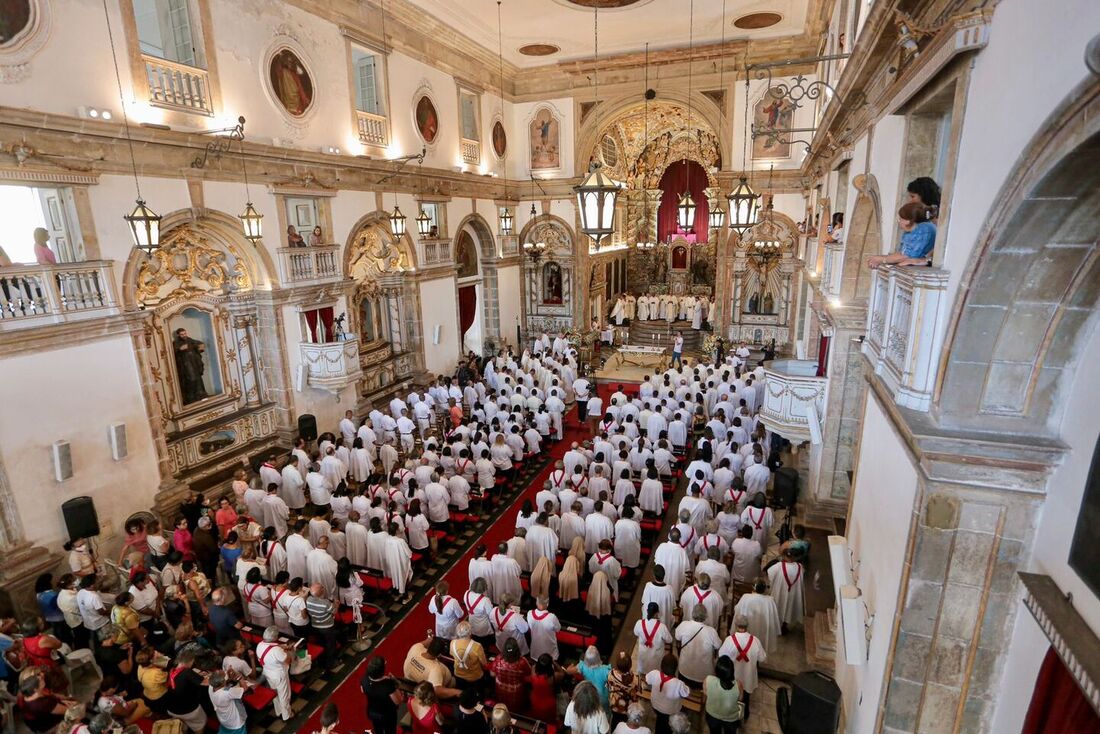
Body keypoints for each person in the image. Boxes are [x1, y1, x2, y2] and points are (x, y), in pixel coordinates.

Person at [718, 616, 766, 720]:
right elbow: (762, 658)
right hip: (748, 676)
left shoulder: (729, 640)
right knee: (746, 697)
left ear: (736, 626)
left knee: (731, 696)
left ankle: (730, 714)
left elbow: (721, 655)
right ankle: (745, 714)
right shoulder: (755, 641)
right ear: (747, 626)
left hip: (733, 676)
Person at [868, 201, 937, 269]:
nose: (898, 221)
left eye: (900, 219)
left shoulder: (923, 230)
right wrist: (880, 259)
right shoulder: (912, 230)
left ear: (907, 221)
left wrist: (882, 259)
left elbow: (907, 256)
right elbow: (902, 253)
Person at [644, 654, 690, 734]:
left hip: (655, 706)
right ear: (675, 668)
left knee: (660, 720)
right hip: (671, 711)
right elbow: (686, 693)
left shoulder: (654, 673)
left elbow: (646, 679)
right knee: (667, 725)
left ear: (661, 665)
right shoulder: (679, 684)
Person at [256, 626, 294, 721]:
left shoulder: (260, 645)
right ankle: (287, 716)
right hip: (279, 675)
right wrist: (289, 650)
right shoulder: (276, 651)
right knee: (284, 695)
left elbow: (270, 648)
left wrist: (282, 647)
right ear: (276, 637)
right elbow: (288, 660)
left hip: (268, 673)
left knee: (276, 694)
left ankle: (279, 712)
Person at [733, 581, 782, 654]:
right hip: (763, 630)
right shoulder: (770, 600)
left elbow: (736, 609)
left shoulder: (745, 597)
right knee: (760, 646)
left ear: (753, 588)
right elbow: (774, 618)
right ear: (765, 589)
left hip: (747, 628)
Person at [360, 656, 403, 734]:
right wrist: (394, 682)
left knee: (377, 728)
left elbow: (363, 690)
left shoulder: (364, 679)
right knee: (390, 730)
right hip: (387, 714)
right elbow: (398, 701)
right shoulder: (388, 684)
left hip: (373, 711)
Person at [702, 655, 744, 734]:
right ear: (732, 671)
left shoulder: (708, 680)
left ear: (717, 670)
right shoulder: (738, 685)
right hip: (731, 719)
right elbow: (740, 699)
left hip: (712, 715)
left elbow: (705, 695)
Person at [488, 637, 531, 712]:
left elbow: (492, 674)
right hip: (515, 690)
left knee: (503, 706)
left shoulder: (499, 659)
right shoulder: (522, 662)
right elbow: (529, 674)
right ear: (517, 650)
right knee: (516, 708)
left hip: (500, 688)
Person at [767, 550, 805, 631]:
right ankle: (784, 625)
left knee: (778, 606)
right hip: (793, 592)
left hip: (780, 591)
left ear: (784, 556)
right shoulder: (799, 567)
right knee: (789, 608)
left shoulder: (779, 566)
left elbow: (770, 574)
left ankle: (777, 625)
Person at [208, 669, 252, 734]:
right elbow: (245, 688)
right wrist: (240, 678)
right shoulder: (227, 692)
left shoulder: (211, 687)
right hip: (235, 721)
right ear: (223, 682)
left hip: (223, 718)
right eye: (224, 677)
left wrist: (228, 677)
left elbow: (222, 685)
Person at [450, 621, 489, 693]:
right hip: (475, 677)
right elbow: (484, 663)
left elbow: (452, 654)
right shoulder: (477, 646)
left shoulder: (453, 643)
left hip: (458, 674)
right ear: (470, 632)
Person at [607, 651, 639, 728]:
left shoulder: (611, 674)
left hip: (615, 703)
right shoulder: (634, 679)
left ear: (617, 666)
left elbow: (609, 686)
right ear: (630, 665)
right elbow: (637, 691)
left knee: (615, 720)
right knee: (626, 722)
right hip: (627, 707)